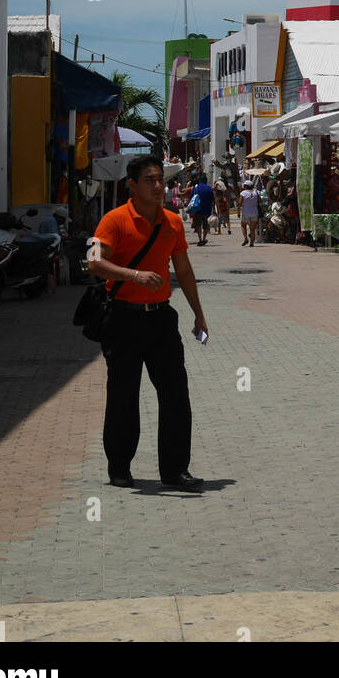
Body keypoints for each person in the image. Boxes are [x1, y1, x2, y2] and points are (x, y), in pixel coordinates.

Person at [88, 154, 208, 492]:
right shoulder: (114, 220)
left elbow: (183, 270)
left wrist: (199, 314)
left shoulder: (173, 221)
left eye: (161, 180)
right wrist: (133, 275)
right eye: (150, 180)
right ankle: (120, 467)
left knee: (175, 395)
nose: (158, 186)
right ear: (132, 185)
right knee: (123, 395)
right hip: (123, 319)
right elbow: (93, 263)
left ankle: (175, 470)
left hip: (162, 319)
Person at [189, 176, 214, 247]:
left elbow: (191, 197)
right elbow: (212, 199)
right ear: (206, 181)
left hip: (197, 209)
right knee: (205, 225)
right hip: (207, 209)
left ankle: (200, 239)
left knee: (198, 225)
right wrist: (214, 209)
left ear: (200, 180)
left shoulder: (196, 188)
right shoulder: (209, 188)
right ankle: (204, 238)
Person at [239, 180, 261, 246]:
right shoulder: (256, 192)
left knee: (243, 225)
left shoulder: (243, 193)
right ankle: (252, 242)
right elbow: (260, 201)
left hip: (246, 211)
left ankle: (246, 238)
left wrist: (238, 211)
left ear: (246, 186)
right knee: (252, 228)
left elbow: (240, 203)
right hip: (254, 211)